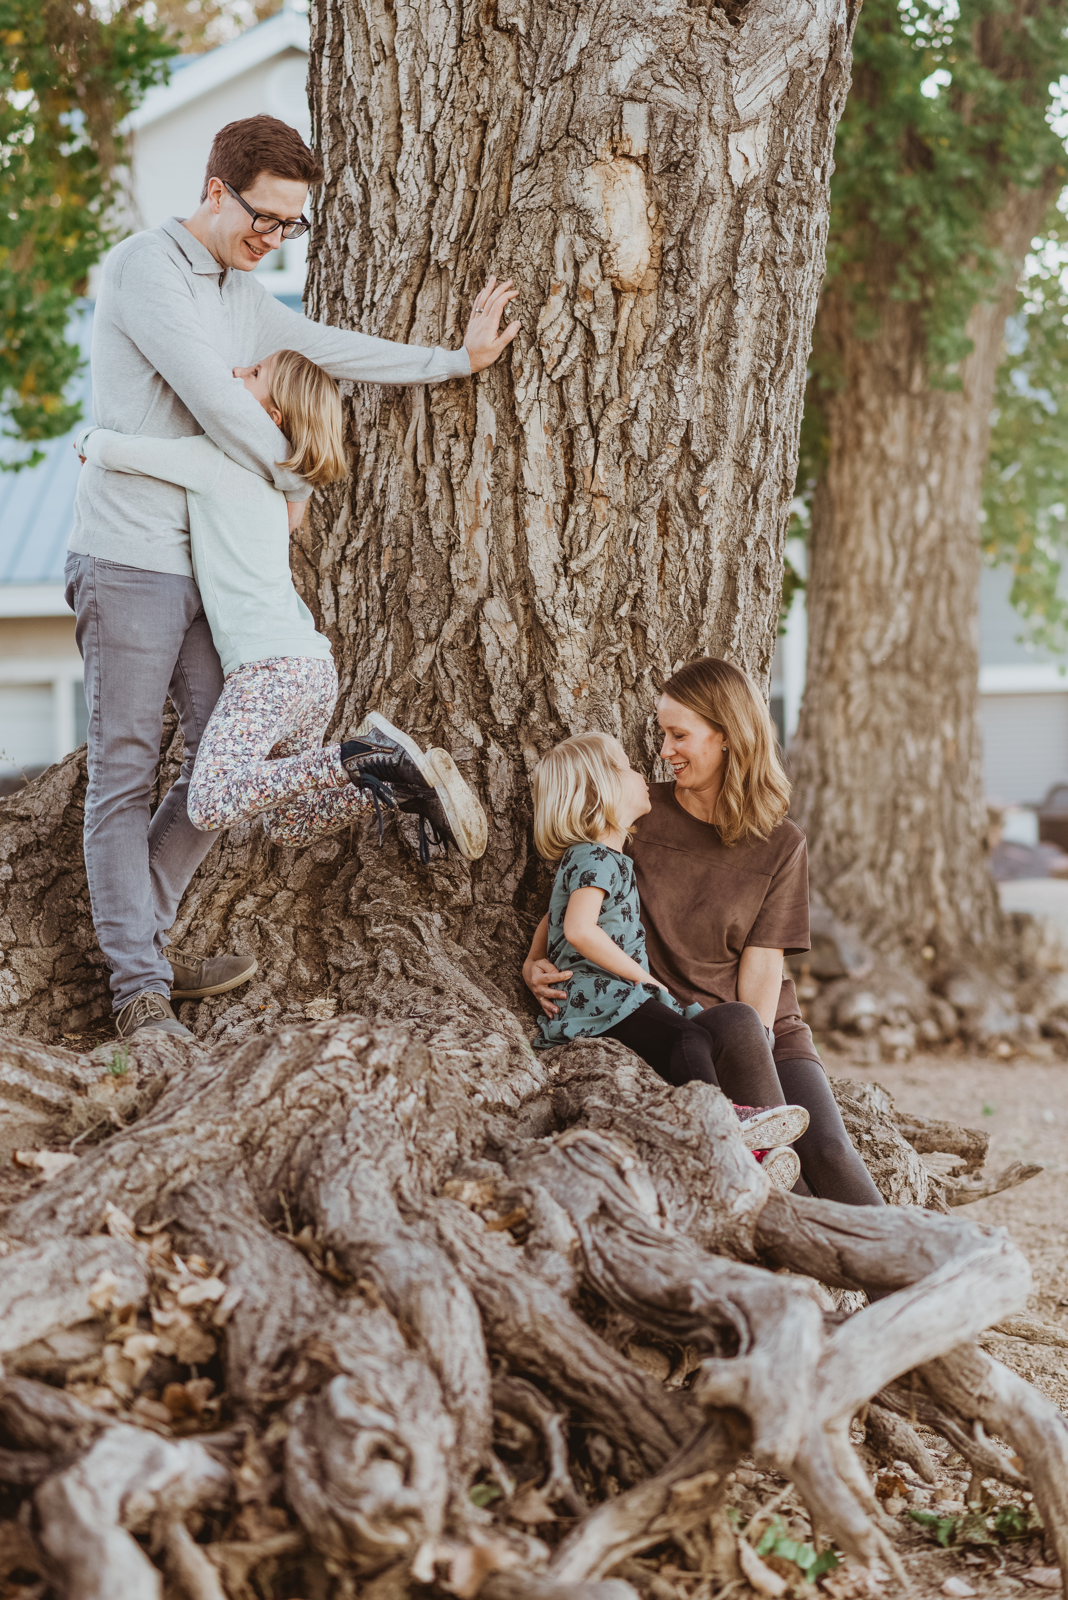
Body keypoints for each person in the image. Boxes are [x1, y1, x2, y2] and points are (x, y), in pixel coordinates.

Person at [67, 114, 519, 1041]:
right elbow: (216, 401)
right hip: (131, 559)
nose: (271, 239)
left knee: (219, 771)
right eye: (263, 218)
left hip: (205, 571)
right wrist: (296, 468)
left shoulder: (247, 292)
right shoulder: (146, 269)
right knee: (124, 773)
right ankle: (139, 990)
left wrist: (455, 361)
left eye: (290, 226)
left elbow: (335, 349)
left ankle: (144, 945)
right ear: (215, 189)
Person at [74, 347, 487, 896]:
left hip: (269, 668)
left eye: (253, 374)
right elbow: (292, 509)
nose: (235, 372)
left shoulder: (214, 459)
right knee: (287, 823)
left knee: (212, 798)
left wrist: (85, 441)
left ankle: (360, 754)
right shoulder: (279, 480)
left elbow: (116, 450)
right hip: (310, 669)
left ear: (267, 418)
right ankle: (399, 780)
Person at [523, 660, 885, 1207]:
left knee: (829, 1150)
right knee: (781, 1175)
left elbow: (763, 966)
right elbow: (578, 896)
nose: (664, 751)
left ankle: (918, 1276)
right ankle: (830, 1267)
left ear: (727, 736)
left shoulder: (782, 843)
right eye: (662, 734)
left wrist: (756, 1050)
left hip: (759, 1025)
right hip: (690, 1029)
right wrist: (534, 962)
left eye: (679, 735)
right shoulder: (640, 815)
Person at [528, 731, 810, 1190]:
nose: (642, 772)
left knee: (693, 1034)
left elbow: (554, 917)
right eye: (625, 767)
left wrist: (533, 959)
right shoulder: (597, 857)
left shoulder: (601, 858)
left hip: (607, 996)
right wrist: (643, 978)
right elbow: (578, 929)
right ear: (600, 792)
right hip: (602, 999)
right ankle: (717, 1125)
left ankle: (746, 1149)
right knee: (688, 1041)